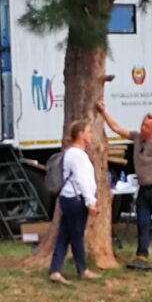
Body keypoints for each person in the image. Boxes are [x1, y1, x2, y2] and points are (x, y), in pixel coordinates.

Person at [96, 101, 152, 270]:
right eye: (143, 125)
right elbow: (116, 128)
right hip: (143, 189)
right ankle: (141, 256)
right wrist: (103, 112)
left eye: (147, 127)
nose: (143, 129)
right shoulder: (136, 137)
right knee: (142, 222)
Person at [48, 121, 101, 285]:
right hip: (75, 200)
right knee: (76, 235)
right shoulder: (76, 155)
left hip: (69, 199)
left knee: (64, 235)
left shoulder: (74, 153)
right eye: (88, 132)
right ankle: (82, 269)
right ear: (80, 134)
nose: (91, 135)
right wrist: (90, 202)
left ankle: (55, 270)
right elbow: (81, 179)